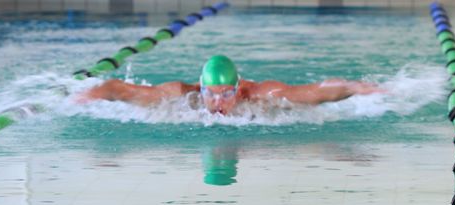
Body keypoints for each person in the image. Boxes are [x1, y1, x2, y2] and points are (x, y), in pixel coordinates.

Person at [79, 55, 382, 115]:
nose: (219, 102)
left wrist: (355, 87)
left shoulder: (263, 94)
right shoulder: (180, 95)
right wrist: (89, 95)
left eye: (227, 94)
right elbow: (119, 88)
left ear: (239, 88)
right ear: (201, 88)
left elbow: (315, 93)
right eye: (212, 94)